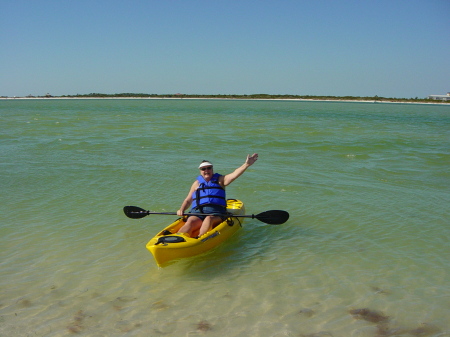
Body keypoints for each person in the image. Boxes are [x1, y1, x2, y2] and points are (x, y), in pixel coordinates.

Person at [177, 153, 259, 238]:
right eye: (203, 169)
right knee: (190, 221)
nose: (206, 170)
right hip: (198, 212)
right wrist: (181, 209)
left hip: (216, 213)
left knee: (209, 219)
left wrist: (246, 164)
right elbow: (188, 200)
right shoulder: (196, 184)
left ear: (212, 169)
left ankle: (200, 238)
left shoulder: (220, 180)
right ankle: (179, 237)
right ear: (200, 171)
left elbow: (234, 174)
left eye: (209, 168)